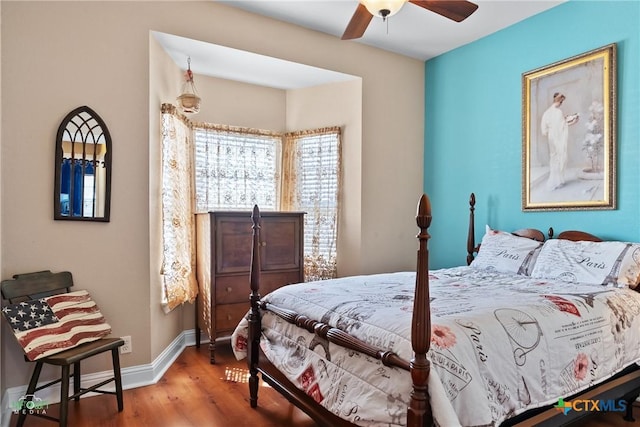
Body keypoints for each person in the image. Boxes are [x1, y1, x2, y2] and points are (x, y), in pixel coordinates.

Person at [540, 92, 579, 190]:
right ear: (560, 101)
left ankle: (555, 180)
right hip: (557, 136)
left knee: (553, 157)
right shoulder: (558, 112)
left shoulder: (546, 112)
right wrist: (574, 121)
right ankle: (556, 181)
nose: (561, 104)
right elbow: (562, 125)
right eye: (562, 102)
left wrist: (565, 122)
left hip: (551, 136)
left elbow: (544, 130)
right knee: (560, 156)